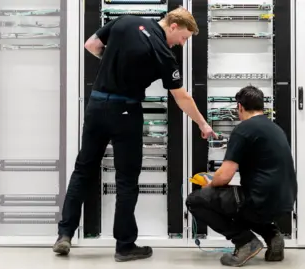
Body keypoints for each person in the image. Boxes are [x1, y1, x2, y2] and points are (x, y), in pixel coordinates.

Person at [53, 7, 217, 262]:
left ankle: (64, 235)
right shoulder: (163, 52)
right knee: (126, 180)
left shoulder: (125, 21)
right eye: (183, 37)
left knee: (84, 169)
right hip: (126, 111)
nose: (181, 43)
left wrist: (113, 64)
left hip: (96, 105)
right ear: (173, 26)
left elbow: (91, 44)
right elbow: (182, 97)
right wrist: (203, 124)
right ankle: (125, 246)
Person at [185, 86, 297, 267]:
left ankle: (245, 242)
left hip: (259, 200)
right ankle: (273, 236)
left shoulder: (244, 130)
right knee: (238, 202)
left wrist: (209, 183)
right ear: (262, 107)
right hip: (285, 202)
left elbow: (225, 176)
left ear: (240, 107)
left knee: (196, 200)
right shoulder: (275, 128)